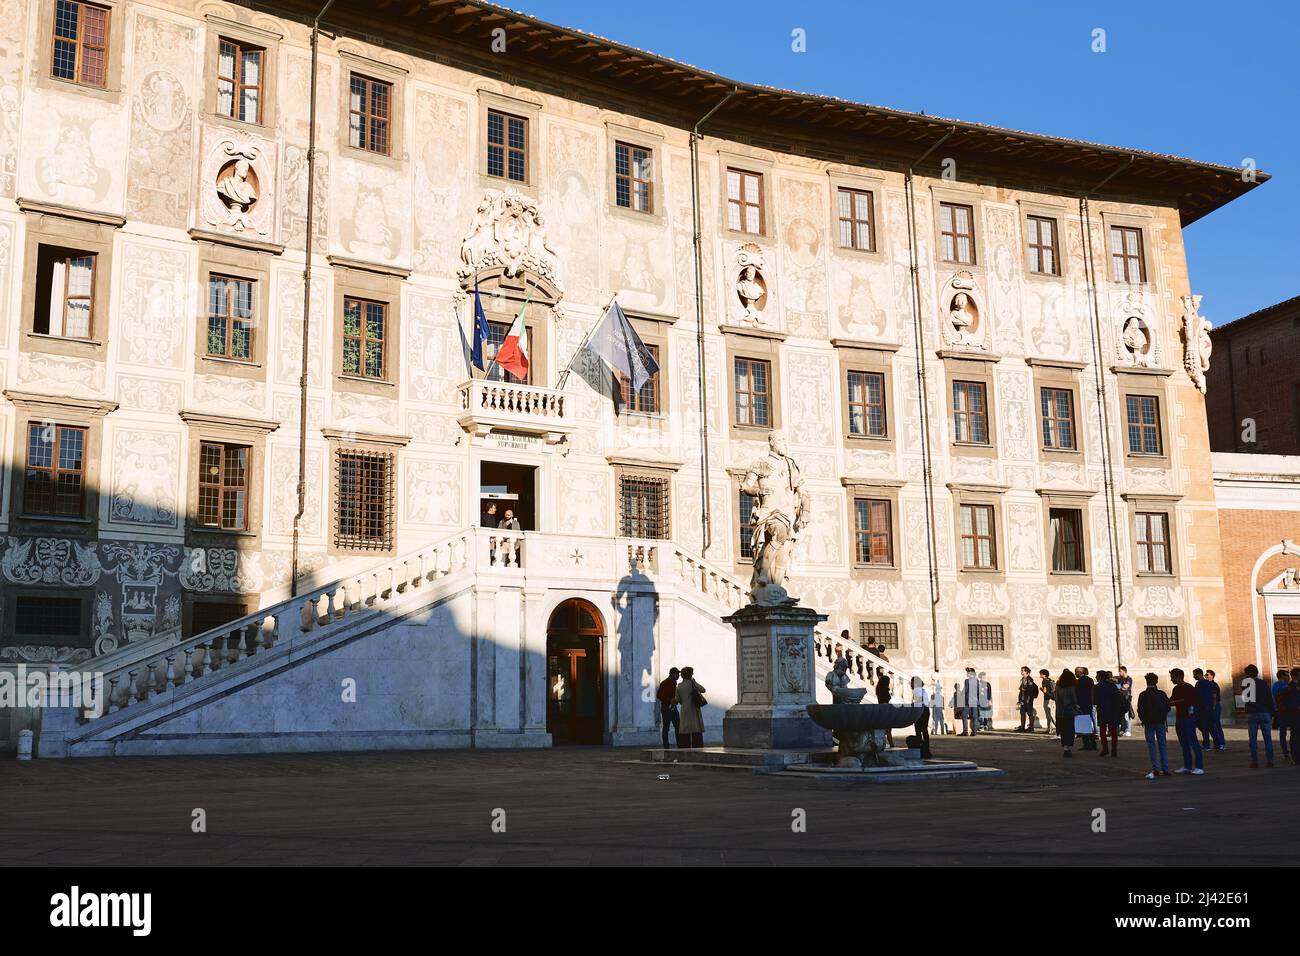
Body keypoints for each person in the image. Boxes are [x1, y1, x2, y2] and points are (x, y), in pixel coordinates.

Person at [1168, 668, 1204, 775]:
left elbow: (1188, 701)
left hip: (1189, 718)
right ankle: (1187, 766)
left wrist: (1176, 702)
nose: (1171, 679)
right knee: (1183, 743)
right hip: (1180, 718)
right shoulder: (1176, 689)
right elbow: (1172, 700)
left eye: (1172, 677)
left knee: (1193, 742)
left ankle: (1199, 767)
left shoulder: (1189, 688)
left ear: (1178, 677)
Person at [1137, 672, 1171, 779]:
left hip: (1148, 723)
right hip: (1160, 722)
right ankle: (1165, 769)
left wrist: (1143, 719)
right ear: (1156, 681)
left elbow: (1140, 709)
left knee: (1151, 746)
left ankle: (1156, 769)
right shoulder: (1162, 694)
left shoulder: (1143, 695)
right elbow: (1168, 707)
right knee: (1162, 745)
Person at [1241, 664, 1276, 769]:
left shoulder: (1247, 683)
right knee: (1267, 739)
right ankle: (1270, 761)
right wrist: (1272, 712)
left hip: (1252, 713)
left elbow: (1246, 699)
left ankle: (1255, 761)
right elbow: (1269, 698)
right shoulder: (1263, 683)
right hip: (1265, 712)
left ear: (1247, 673)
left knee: (1252, 739)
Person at [674, 666, 707, 749]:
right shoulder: (692, 684)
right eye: (692, 673)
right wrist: (694, 682)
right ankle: (698, 747)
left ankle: (685, 747)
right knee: (696, 730)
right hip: (694, 709)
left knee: (685, 730)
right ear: (690, 675)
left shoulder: (679, 686)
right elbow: (703, 690)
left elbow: (677, 699)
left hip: (684, 709)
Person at [1193, 668, 1225, 752]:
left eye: (1194, 674)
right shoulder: (1209, 684)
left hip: (1203, 709)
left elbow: (1197, 697)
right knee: (1211, 727)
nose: (1193, 676)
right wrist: (1213, 707)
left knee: (1205, 728)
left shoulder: (1199, 684)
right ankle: (1217, 744)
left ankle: (1207, 745)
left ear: (1198, 674)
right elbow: (1213, 696)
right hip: (1208, 709)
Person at [1095, 670, 1125, 758]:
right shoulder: (1112, 686)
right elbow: (1117, 697)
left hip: (1102, 710)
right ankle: (1114, 750)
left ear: (1100, 677)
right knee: (1113, 732)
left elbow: (1095, 700)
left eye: (1097, 676)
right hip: (1113, 710)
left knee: (1103, 731)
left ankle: (1105, 749)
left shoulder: (1097, 687)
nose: (1096, 677)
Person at [1278, 667, 1300, 765]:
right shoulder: (1289, 688)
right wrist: (1296, 707)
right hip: (1294, 716)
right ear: (1296, 676)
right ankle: (1295, 757)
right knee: (1294, 736)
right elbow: (1285, 703)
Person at [1055, 669, 1079, 757]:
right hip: (1069, 711)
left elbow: (1057, 700)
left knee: (1063, 730)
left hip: (1060, 711)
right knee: (1069, 730)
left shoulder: (1058, 687)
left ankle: (1065, 747)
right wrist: (1076, 708)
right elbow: (1074, 700)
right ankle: (1067, 747)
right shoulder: (1072, 688)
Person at [655, 667, 680, 748]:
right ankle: (667, 745)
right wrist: (670, 700)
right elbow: (659, 695)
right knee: (667, 727)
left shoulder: (674, 683)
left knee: (676, 726)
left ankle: (678, 744)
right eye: (677, 674)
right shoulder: (665, 683)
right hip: (666, 707)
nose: (678, 676)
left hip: (672, 707)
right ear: (672, 674)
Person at [1075, 666, 1096, 750]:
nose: (1075, 673)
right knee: (1088, 724)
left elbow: (1078, 693)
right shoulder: (1090, 680)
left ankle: (1087, 743)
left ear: (1080, 672)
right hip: (1089, 704)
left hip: (1082, 705)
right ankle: (1093, 743)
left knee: (1083, 725)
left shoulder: (1079, 681)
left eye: (1076, 672)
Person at [1205, 669, 1226, 751]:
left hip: (1215, 706)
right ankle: (1219, 743)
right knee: (1213, 725)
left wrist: (1213, 707)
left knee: (1216, 724)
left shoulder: (1213, 685)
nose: (1206, 676)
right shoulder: (1208, 685)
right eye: (1205, 675)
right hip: (1212, 706)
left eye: (1207, 675)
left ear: (1212, 676)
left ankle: (1222, 743)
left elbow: (1214, 697)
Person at [911, 677, 931, 757]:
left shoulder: (916, 690)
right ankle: (927, 751)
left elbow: (919, 701)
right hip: (926, 710)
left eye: (912, 682)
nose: (911, 684)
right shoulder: (923, 690)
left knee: (918, 731)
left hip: (920, 711)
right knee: (925, 731)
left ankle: (920, 751)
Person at [1016, 666, 1038, 732]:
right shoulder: (1022, 679)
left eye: (1023, 670)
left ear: (1027, 672)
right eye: (1021, 670)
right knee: (1022, 713)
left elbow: (1030, 690)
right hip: (1022, 699)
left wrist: (1024, 689)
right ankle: (1022, 727)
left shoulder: (1029, 680)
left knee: (1030, 713)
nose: (1022, 672)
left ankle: (1031, 727)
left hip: (1028, 699)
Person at [960, 668, 981, 736]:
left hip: (968, 702)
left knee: (964, 716)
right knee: (975, 717)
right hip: (974, 701)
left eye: (967, 672)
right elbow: (979, 691)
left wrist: (961, 693)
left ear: (970, 673)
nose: (966, 674)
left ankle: (965, 731)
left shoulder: (967, 681)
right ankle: (974, 732)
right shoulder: (977, 681)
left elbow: (965, 690)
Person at [876, 670, 894, 746]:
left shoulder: (880, 690)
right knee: (888, 730)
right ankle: (891, 745)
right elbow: (885, 701)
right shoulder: (884, 691)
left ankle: (885, 744)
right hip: (885, 711)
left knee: (885, 730)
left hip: (882, 710)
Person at [1117, 666, 1134, 737]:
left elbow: (1125, 687)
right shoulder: (1120, 679)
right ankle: (1124, 730)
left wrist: (1118, 687)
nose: (1119, 673)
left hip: (1126, 699)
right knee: (1122, 716)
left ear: (1124, 671)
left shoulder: (1129, 679)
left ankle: (1128, 730)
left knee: (1126, 716)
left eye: (1120, 671)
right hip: (1121, 699)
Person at [1039, 668, 1057, 737]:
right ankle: (1049, 728)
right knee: (1050, 714)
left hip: (1047, 699)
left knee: (1049, 714)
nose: (1040, 675)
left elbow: (1045, 691)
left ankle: (1056, 727)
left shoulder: (1044, 681)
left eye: (1041, 673)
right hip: (1052, 698)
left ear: (1044, 675)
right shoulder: (1050, 680)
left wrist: (1041, 689)